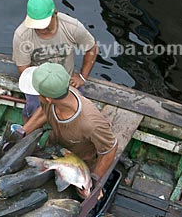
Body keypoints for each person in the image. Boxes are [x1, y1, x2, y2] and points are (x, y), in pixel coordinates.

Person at [18, 62, 118, 198]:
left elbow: (110, 150)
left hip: (79, 164)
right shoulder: (55, 96)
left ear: (48, 98)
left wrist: (93, 180)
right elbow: (43, 111)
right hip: (55, 149)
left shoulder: (91, 122)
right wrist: (22, 132)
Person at [13, 0, 98, 121]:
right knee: (33, 108)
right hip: (38, 82)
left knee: (82, 111)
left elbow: (91, 48)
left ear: (55, 14)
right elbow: (24, 68)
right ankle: (27, 128)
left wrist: (82, 76)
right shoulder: (22, 35)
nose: (39, 29)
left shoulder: (72, 27)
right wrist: (44, 89)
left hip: (66, 80)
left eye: (43, 24)